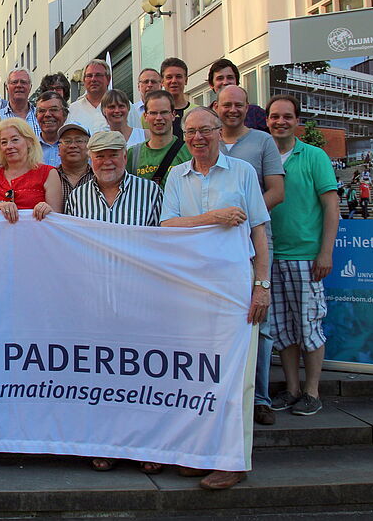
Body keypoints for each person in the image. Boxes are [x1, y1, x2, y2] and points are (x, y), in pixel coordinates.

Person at [160, 107, 270, 491]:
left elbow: (259, 231)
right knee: (197, 372)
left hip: (235, 286)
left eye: (205, 130)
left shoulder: (242, 173)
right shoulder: (177, 175)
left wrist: (262, 285)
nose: (197, 138)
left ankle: (233, 460)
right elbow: (167, 225)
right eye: (190, 132)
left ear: (219, 132)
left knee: (235, 375)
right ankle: (203, 453)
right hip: (191, 287)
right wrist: (213, 217)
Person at [65, 129, 164, 475]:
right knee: (101, 378)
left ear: (125, 156)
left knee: (140, 376)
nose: (106, 162)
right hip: (95, 301)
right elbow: (72, 249)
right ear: (90, 160)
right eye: (99, 155)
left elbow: (163, 247)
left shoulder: (150, 191)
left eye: (113, 154)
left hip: (138, 298)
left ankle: (146, 445)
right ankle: (105, 444)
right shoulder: (77, 197)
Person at [266, 95, 340, 418]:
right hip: (270, 256)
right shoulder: (263, 155)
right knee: (282, 328)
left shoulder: (314, 157)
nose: (280, 122)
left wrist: (325, 252)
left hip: (306, 257)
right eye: (274, 117)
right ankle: (292, 388)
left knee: (309, 325)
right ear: (266, 120)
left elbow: (331, 207)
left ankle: (312, 391)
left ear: (297, 120)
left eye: (286, 116)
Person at [217, 85, 285, 427]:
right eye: (226, 105)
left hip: (254, 241)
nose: (232, 110)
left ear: (247, 108)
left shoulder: (262, 141)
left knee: (260, 317)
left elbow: (277, 190)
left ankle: (259, 398)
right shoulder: (206, 141)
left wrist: (247, 214)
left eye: (238, 105)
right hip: (214, 246)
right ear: (216, 107)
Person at [0, 119, 63, 222]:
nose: (9, 146)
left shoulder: (48, 173)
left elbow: (57, 219)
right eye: (4, 142)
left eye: (15, 140)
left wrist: (46, 209)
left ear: (29, 142)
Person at [127, 90, 191, 188]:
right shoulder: (133, 154)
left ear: (173, 115)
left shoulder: (188, 151)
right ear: (145, 116)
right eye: (153, 113)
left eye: (164, 112)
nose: (158, 118)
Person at [208, 58, 267, 132]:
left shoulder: (255, 114)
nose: (225, 82)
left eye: (230, 77)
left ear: (237, 81)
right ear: (211, 84)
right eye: (220, 78)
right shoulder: (203, 116)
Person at [65, 59, 112, 131]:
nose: (93, 79)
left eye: (98, 75)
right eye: (89, 76)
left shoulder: (122, 107)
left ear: (108, 79)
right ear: (83, 80)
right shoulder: (73, 110)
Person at [56, 122, 95, 198]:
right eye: (67, 141)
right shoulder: (50, 178)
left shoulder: (98, 178)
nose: (72, 146)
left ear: (89, 148)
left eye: (79, 141)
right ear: (58, 149)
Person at [34, 91, 68, 166]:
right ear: (36, 116)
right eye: (42, 111)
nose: (47, 115)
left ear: (65, 115)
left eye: (53, 110)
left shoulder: (74, 148)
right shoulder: (28, 148)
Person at [160, 58, 191, 138]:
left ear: (186, 80)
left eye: (178, 76)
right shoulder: (152, 114)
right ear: (162, 82)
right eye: (169, 77)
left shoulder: (197, 111)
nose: (174, 81)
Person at [3, 68, 40, 133]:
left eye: (23, 82)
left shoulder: (41, 116)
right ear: (7, 87)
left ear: (30, 87)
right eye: (14, 82)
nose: (19, 85)